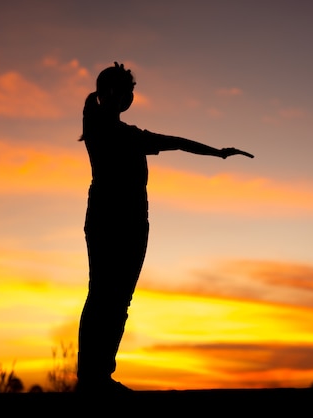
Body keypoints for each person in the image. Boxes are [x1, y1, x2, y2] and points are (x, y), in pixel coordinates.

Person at [76, 62, 253, 393]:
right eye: (127, 91)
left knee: (111, 298)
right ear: (114, 94)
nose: (130, 97)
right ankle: (93, 379)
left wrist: (218, 153)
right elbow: (175, 142)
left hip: (125, 222)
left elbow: (175, 142)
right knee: (106, 297)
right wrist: (217, 153)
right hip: (115, 222)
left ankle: (97, 377)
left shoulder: (110, 129)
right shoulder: (114, 133)